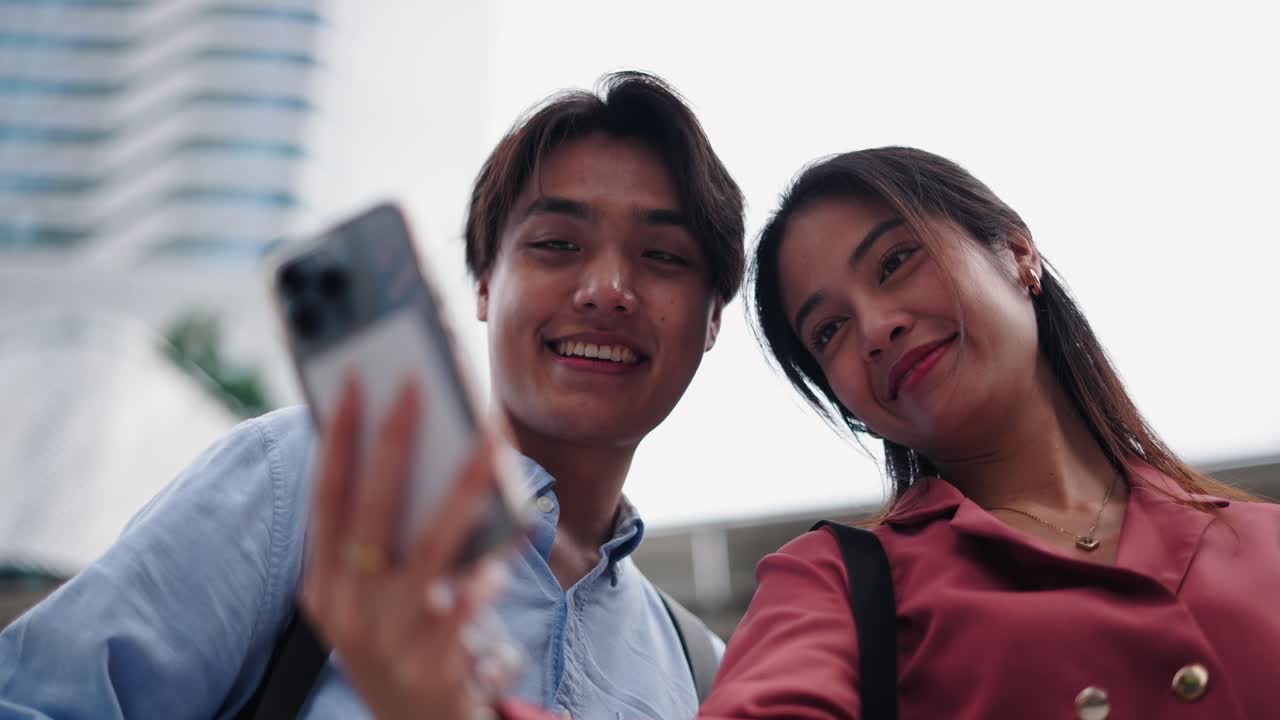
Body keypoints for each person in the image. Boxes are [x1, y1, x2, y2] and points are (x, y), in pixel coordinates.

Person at [345, 145, 1279, 720]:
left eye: (898, 260)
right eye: (828, 329)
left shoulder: (1262, 541)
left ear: (1017, 251)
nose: (875, 327)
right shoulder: (831, 585)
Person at [0, 70, 745, 720]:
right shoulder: (301, 477)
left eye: (662, 256)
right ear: (485, 285)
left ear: (712, 318)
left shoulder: (704, 672)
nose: (607, 289)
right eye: (556, 243)